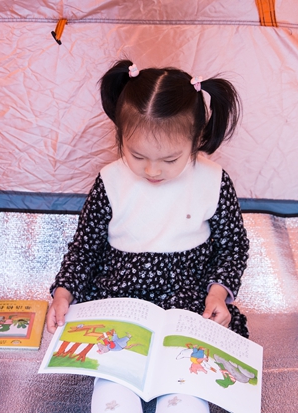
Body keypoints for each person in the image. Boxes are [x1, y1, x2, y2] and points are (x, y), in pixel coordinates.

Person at [46, 60, 249, 413]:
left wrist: (218, 293)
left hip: (190, 304)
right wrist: (63, 293)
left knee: (185, 388)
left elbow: (233, 247)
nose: (152, 170)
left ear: (196, 139)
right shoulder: (110, 181)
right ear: (120, 135)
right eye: (137, 155)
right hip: (120, 304)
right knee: (114, 386)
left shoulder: (214, 181)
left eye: (170, 159)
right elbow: (84, 249)